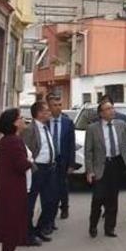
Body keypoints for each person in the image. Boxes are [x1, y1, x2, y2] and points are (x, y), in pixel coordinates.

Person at [0, 108, 32, 251]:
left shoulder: (8, 141)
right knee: (11, 230)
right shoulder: (13, 141)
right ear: (14, 123)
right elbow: (20, 165)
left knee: (11, 229)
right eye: (20, 118)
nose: (23, 120)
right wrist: (31, 162)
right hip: (12, 192)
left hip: (9, 190)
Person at [85, 96, 126, 238]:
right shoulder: (92, 129)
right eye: (108, 109)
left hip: (116, 164)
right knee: (98, 198)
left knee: (113, 198)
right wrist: (89, 171)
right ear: (101, 113)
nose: (111, 111)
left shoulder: (121, 124)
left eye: (112, 108)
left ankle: (109, 228)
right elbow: (88, 152)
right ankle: (93, 225)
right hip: (101, 166)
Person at [21, 100, 57, 246]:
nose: (49, 112)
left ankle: (39, 229)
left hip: (49, 168)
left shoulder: (46, 127)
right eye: (47, 110)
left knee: (50, 201)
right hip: (37, 170)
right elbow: (26, 151)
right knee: (30, 203)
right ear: (39, 113)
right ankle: (28, 234)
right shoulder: (30, 130)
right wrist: (34, 167)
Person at [46, 92, 76, 225]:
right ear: (49, 107)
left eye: (60, 105)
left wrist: (71, 164)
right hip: (49, 160)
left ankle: (64, 207)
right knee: (51, 187)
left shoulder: (68, 123)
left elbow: (71, 144)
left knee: (63, 185)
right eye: (54, 105)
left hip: (63, 159)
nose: (58, 108)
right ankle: (50, 210)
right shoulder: (45, 122)